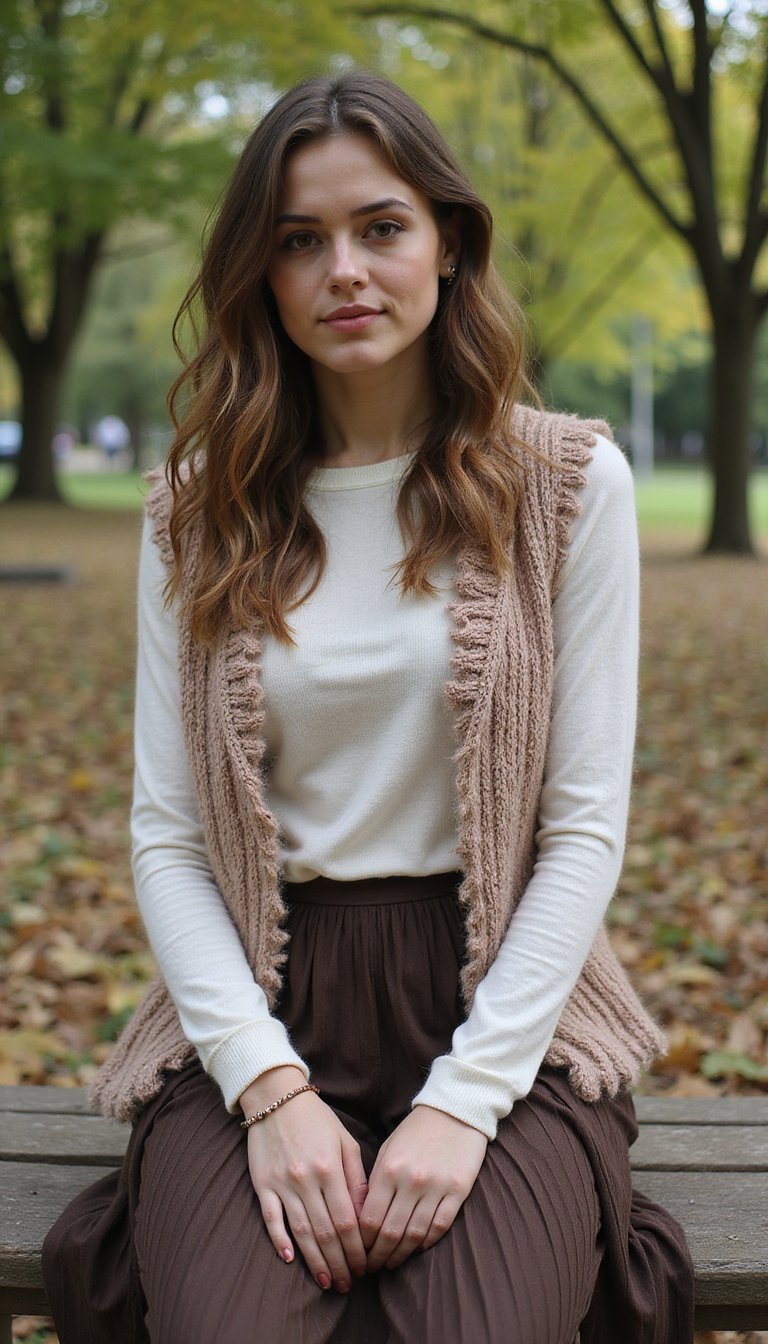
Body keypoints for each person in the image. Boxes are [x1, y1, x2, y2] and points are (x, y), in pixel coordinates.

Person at [42, 70, 694, 1343]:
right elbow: (170, 837)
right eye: (299, 240)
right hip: (260, 1003)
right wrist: (266, 1087)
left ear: (447, 244)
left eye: (381, 226)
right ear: (262, 275)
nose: (344, 268)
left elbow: (581, 832)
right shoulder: (197, 507)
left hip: (503, 997)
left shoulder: (567, 483)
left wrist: (468, 1100)